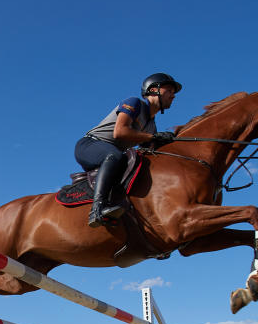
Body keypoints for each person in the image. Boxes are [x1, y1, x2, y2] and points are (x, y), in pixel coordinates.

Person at [75, 73, 182, 227]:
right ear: (153, 90)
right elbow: (120, 132)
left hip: (112, 154)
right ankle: (97, 208)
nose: (173, 96)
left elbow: (148, 152)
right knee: (114, 156)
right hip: (89, 145)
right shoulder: (135, 103)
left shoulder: (151, 125)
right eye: (169, 90)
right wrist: (153, 137)